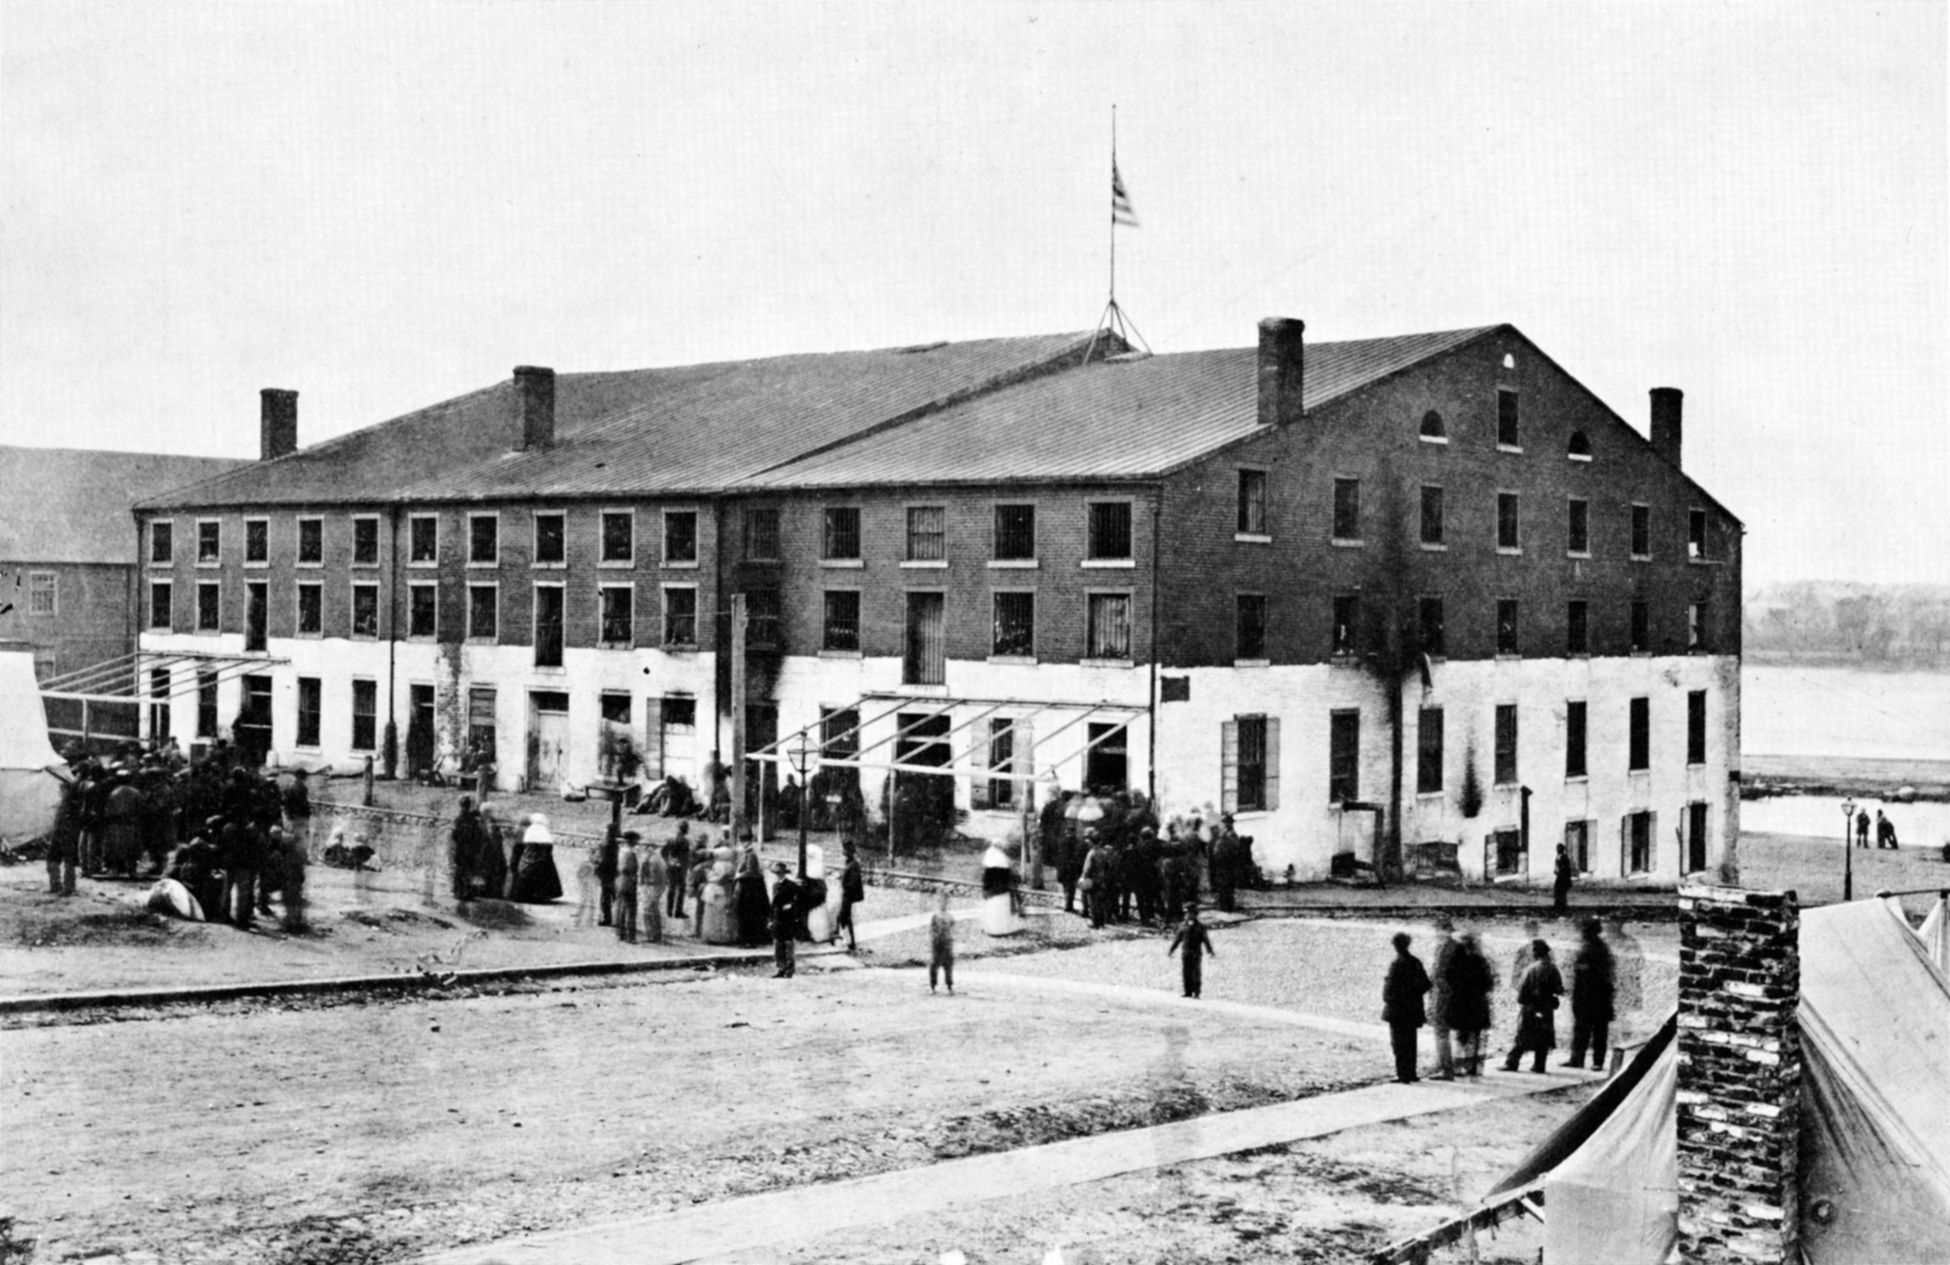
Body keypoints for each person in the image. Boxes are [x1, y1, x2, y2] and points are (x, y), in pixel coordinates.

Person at [1503, 939, 1565, 1073]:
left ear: (1535, 953)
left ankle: (1512, 1063)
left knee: (1523, 1036)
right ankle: (1539, 1065)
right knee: (1543, 1037)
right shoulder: (1553, 968)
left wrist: (1522, 1001)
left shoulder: (1531, 969)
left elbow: (1522, 990)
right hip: (1546, 1008)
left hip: (1531, 1007)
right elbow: (1559, 989)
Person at [1565, 918, 1615, 1070]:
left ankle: (1579, 1059)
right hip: (1600, 996)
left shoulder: (1588, 950)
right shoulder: (1602, 948)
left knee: (1585, 1029)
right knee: (1597, 1030)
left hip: (1589, 996)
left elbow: (1583, 977)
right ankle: (1594, 1061)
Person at [1382, 932, 1432, 1084]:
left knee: (1398, 1043)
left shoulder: (1396, 964)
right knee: (1411, 1042)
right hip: (1412, 1008)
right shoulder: (1415, 962)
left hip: (1398, 1009)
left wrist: (1392, 998)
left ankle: (1402, 1074)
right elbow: (1426, 983)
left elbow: (1389, 990)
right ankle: (1411, 1072)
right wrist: (1413, 995)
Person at [1446, 931, 1494, 1077]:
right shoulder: (1481, 960)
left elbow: (1449, 980)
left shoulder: (1454, 961)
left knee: (1460, 1036)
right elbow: (1488, 983)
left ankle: (1459, 1067)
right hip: (1477, 1003)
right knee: (1476, 1035)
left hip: (1460, 1002)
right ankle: (1474, 1067)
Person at [506, 813, 564, 904]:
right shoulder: (544, 832)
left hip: (528, 862)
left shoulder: (530, 831)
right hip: (542, 862)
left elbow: (524, 847)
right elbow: (548, 849)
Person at [1428, 917, 1459, 1080]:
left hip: (1443, 996)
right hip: (1453, 995)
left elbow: (1437, 975)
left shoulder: (1443, 948)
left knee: (1441, 1032)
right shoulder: (1456, 946)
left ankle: (1446, 1068)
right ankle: (1446, 1065)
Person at [1169, 903, 1217, 999]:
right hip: (1185, 952)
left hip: (1196, 953)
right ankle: (1188, 991)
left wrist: (1210, 951)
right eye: (1186, 914)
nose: (1187, 916)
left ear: (1195, 914)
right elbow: (1178, 939)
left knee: (1196, 972)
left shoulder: (1200, 926)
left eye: (1189, 913)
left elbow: (1205, 940)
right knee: (1186, 972)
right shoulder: (1182, 926)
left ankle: (1197, 992)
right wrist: (1172, 949)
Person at [46, 773, 81, 896]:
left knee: (68, 863)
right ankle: (55, 885)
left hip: (67, 835)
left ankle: (68, 888)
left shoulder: (72, 805)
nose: (61, 792)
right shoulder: (63, 804)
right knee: (52, 859)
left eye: (63, 790)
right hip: (59, 834)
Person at [734, 844, 771, 948]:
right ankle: (747, 938)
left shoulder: (751, 856)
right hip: (749, 887)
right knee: (747, 913)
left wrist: (739, 876)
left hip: (751, 888)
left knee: (749, 913)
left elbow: (751, 871)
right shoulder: (748, 855)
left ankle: (750, 940)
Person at [450, 796, 486, 902]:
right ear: (469, 805)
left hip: (461, 848)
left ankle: (458, 891)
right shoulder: (472, 819)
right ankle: (465, 892)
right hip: (470, 849)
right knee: (468, 870)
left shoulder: (458, 819)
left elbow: (454, 835)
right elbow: (478, 835)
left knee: (460, 870)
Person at [769, 862, 799, 978]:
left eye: (780, 873)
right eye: (776, 873)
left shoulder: (791, 885)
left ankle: (789, 969)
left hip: (788, 918)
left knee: (788, 943)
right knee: (778, 944)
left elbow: (799, 900)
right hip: (778, 917)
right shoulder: (775, 885)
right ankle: (781, 968)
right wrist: (771, 919)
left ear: (784, 873)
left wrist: (791, 905)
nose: (778, 875)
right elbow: (773, 904)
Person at [836, 842, 864, 951]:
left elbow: (853, 882)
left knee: (843, 917)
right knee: (843, 917)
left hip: (849, 895)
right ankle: (848, 941)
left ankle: (849, 941)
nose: (844, 853)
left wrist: (844, 883)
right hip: (846, 894)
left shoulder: (854, 865)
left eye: (846, 851)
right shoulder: (849, 863)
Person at [613, 832, 640, 943]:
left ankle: (621, 932)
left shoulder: (621, 850)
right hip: (628, 882)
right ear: (632, 840)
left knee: (622, 908)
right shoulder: (630, 853)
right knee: (631, 909)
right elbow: (630, 868)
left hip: (620, 881)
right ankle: (631, 936)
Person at [1211, 814, 1240, 913]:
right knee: (1223, 887)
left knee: (1227, 887)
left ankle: (1227, 908)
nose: (1221, 825)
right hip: (1222, 866)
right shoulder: (1225, 835)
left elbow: (1232, 851)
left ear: (1227, 824)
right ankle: (1224, 906)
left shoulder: (1231, 835)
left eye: (1222, 823)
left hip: (1227, 866)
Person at [1080, 830, 1108, 929]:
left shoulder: (1091, 853)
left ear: (1092, 841)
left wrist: (1083, 877)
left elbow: (1087, 868)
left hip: (1092, 880)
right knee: (1101, 901)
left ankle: (1095, 922)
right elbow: (1108, 866)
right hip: (1102, 879)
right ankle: (1102, 921)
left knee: (1093, 902)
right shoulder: (1104, 853)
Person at [929, 890, 956, 993]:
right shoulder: (935, 916)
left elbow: (952, 929)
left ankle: (949, 986)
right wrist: (934, 939)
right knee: (934, 965)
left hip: (947, 943)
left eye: (945, 902)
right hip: (937, 944)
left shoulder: (950, 917)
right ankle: (933, 986)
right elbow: (932, 930)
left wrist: (951, 940)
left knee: (948, 965)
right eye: (941, 901)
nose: (943, 904)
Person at [282, 768, 312, 858]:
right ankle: (301, 856)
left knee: (296, 836)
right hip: (301, 815)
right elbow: (303, 802)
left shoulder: (290, 786)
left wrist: (288, 814)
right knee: (302, 837)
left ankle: (296, 855)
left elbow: (285, 801)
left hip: (294, 815)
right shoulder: (302, 787)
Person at [638, 840, 665, 944]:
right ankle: (655, 934)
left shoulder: (652, 860)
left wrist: (646, 884)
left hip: (651, 887)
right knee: (653, 910)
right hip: (655, 887)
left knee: (648, 910)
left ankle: (651, 935)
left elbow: (651, 876)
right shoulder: (657, 859)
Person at [664, 823, 692, 920]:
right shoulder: (685, 841)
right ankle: (678, 911)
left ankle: (669, 910)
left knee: (671, 888)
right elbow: (685, 856)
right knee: (681, 889)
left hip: (671, 864)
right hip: (680, 866)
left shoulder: (671, 838)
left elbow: (664, 851)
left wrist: (667, 861)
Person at [595, 822, 620, 927]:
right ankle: (615, 917)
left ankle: (607, 918)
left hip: (606, 873)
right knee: (612, 896)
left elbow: (603, 860)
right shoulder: (613, 845)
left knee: (606, 897)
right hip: (611, 873)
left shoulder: (606, 845)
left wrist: (598, 868)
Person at [1552, 844, 1574, 914]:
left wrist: (1561, 871)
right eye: (1557, 849)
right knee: (1557, 893)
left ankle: (1562, 909)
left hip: (1563, 879)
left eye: (1559, 849)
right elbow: (1557, 867)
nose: (1557, 850)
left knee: (1562, 895)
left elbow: (1567, 869)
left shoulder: (1565, 858)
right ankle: (1558, 908)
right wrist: (1556, 871)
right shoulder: (1558, 857)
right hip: (1559, 878)